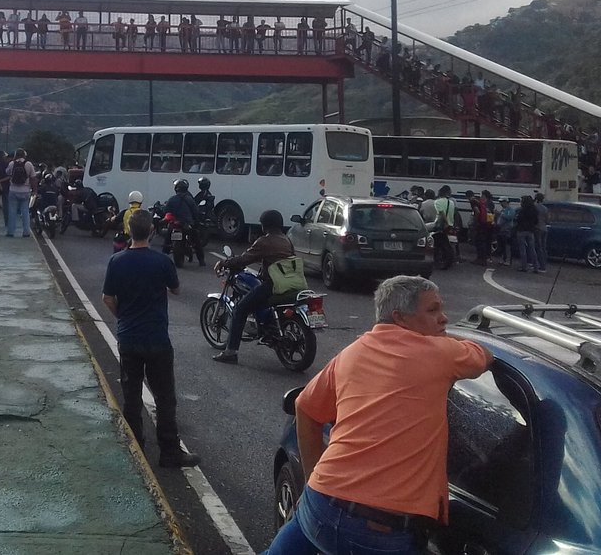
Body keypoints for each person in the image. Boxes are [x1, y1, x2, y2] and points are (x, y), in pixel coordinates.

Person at [265, 276, 493, 555]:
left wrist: (313, 477)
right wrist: (453, 337)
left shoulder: (352, 353)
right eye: (433, 311)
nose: (443, 319)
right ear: (400, 317)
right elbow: (484, 355)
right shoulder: (440, 353)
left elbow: (305, 407)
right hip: (382, 529)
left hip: (320, 502)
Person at [101, 208, 201, 470]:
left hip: (129, 337)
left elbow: (107, 298)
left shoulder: (117, 261)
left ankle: (136, 448)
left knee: (131, 396)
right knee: (165, 397)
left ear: (129, 232)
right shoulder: (162, 262)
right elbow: (177, 289)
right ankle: (169, 452)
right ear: (153, 231)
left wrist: (122, 317)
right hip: (157, 337)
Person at [211, 209, 295, 364]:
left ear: (264, 225)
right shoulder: (286, 240)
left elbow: (244, 259)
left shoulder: (265, 241)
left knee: (240, 309)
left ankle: (231, 352)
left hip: (273, 285)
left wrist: (224, 262)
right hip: (291, 283)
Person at [5, 148, 36, 237]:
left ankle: (11, 232)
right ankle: (26, 232)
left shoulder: (11, 164)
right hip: (25, 191)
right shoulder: (28, 164)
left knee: (12, 212)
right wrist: (34, 190)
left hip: (13, 190)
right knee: (25, 212)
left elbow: (7, 173)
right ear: (24, 155)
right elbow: (33, 178)